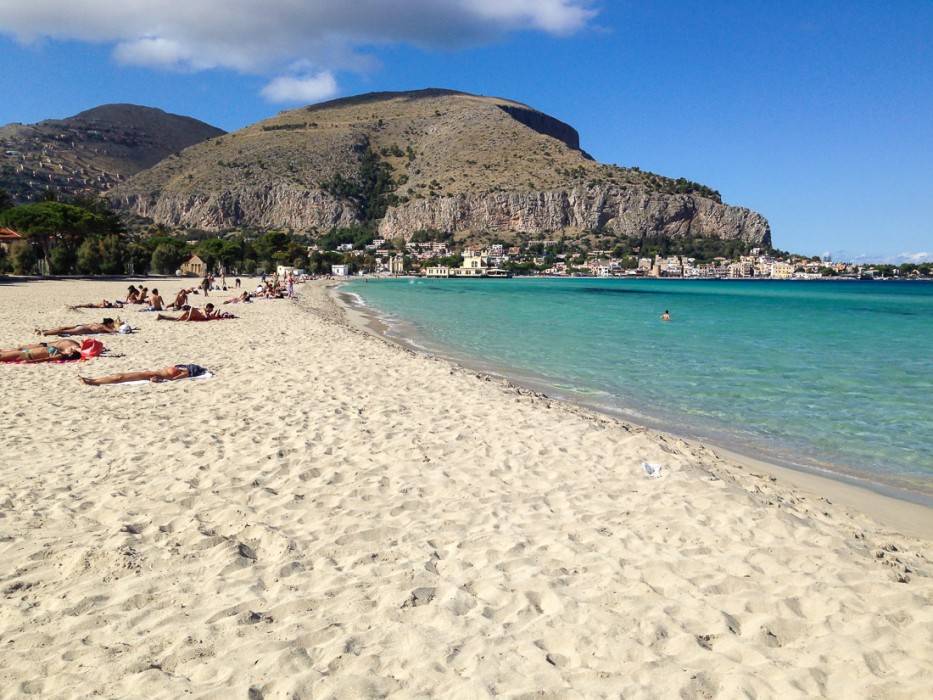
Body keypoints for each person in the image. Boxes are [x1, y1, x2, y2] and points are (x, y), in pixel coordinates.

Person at [79, 364, 209, 385]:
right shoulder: (180, 367)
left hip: (147, 376)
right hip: (148, 372)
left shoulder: (185, 373)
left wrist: (156, 380)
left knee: (120, 378)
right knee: (120, 375)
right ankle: (93, 379)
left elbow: (173, 380)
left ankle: (93, 382)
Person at [1, 338, 82, 363]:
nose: (69, 349)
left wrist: (30, 362)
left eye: (71, 351)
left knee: (2, 356)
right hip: (27, 352)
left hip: (27, 355)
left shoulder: (60, 355)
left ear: (70, 354)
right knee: (4, 354)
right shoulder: (61, 352)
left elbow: (46, 359)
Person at [35, 318, 120, 336]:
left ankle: (41, 331)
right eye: (111, 324)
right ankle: (45, 333)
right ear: (108, 323)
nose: (112, 325)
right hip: (83, 329)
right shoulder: (103, 326)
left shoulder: (98, 323)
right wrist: (116, 327)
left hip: (82, 325)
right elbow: (113, 332)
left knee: (62, 328)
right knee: (63, 331)